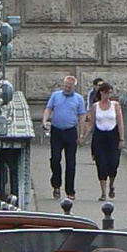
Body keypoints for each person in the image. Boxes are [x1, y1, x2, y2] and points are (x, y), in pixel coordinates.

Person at [42, 73, 86, 201]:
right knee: (55, 159)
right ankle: (56, 184)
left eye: (69, 87)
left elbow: (82, 116)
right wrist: (45, 121)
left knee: (70, 162)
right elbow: (48, 109)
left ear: (74, 87)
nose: (67, 89)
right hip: (56, 131)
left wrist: (82, 134)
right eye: (66, 86)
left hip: (71, 131)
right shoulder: (56, 95)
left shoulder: (78, 99)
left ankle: (70, 190)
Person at [82, 81, 125, 202]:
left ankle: (111, 184)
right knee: (101, 164)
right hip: (99, 137)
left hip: (113, 136)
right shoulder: (95, 106)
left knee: (113, 163)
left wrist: (121, 139)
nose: (108, 96)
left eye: (110, 93)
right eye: (106, 93)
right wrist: (84, 136)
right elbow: (91, 123)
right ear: (101, 93)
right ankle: (103, 192)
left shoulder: (115, 105)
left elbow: (120, 123)